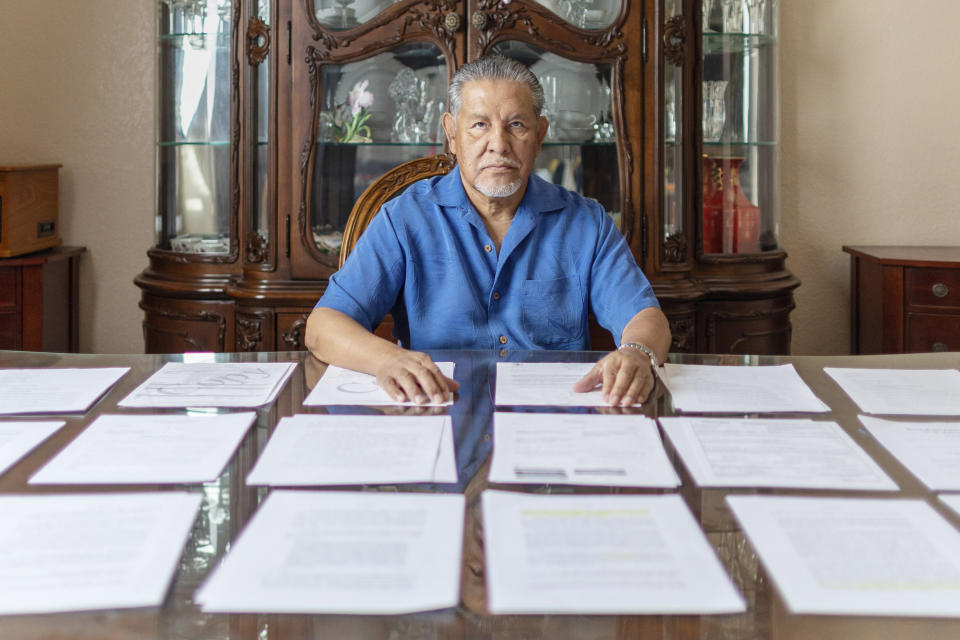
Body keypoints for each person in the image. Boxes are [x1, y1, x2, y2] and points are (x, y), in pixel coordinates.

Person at [305, 55, 671, 406]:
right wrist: (387, 359)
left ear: (540, 133)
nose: (499, 144)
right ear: (451, 132)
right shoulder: (405, 218)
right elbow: (323, 326)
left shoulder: (586, 222)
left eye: (516, 125)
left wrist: (637, 353)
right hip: (439, 409)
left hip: (553, 419)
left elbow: (644, 316)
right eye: (479, 125)